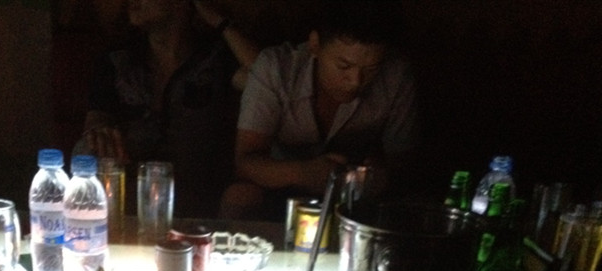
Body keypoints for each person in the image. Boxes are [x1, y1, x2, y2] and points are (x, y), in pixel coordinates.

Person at [221, 2, 421, 220]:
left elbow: (403, 164)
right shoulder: (277, 68)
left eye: (371, 69)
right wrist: (303, 173)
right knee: (240, 195)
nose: (355, 81)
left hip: (354, 199)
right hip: (279, 187)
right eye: (344, 66)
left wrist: (378, 176)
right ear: (315, 45)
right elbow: (245, 163)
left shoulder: (396, 77)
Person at [77, 0, 260, 218]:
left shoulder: (215, 59)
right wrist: (100, 133)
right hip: (132, 180)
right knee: (86, 151)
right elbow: (97, 117)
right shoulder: (118, 60)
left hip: (197, 184)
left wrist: (221, 22)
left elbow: (266, 79)